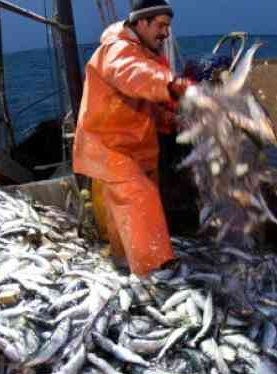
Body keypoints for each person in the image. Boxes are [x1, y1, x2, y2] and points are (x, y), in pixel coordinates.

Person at [73, 0, 193, 276]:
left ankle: (125, 262)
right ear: (141, 22)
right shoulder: (118, 50)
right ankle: (156, 274)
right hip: (111, 147)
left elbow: (142, 100)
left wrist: (170, 120)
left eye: (168, 26)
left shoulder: (142, 51)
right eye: (160, 25)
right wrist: (173, 85)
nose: (165, 32)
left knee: (123, 216)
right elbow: (134, 75)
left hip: (136, 146)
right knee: (140, 200)